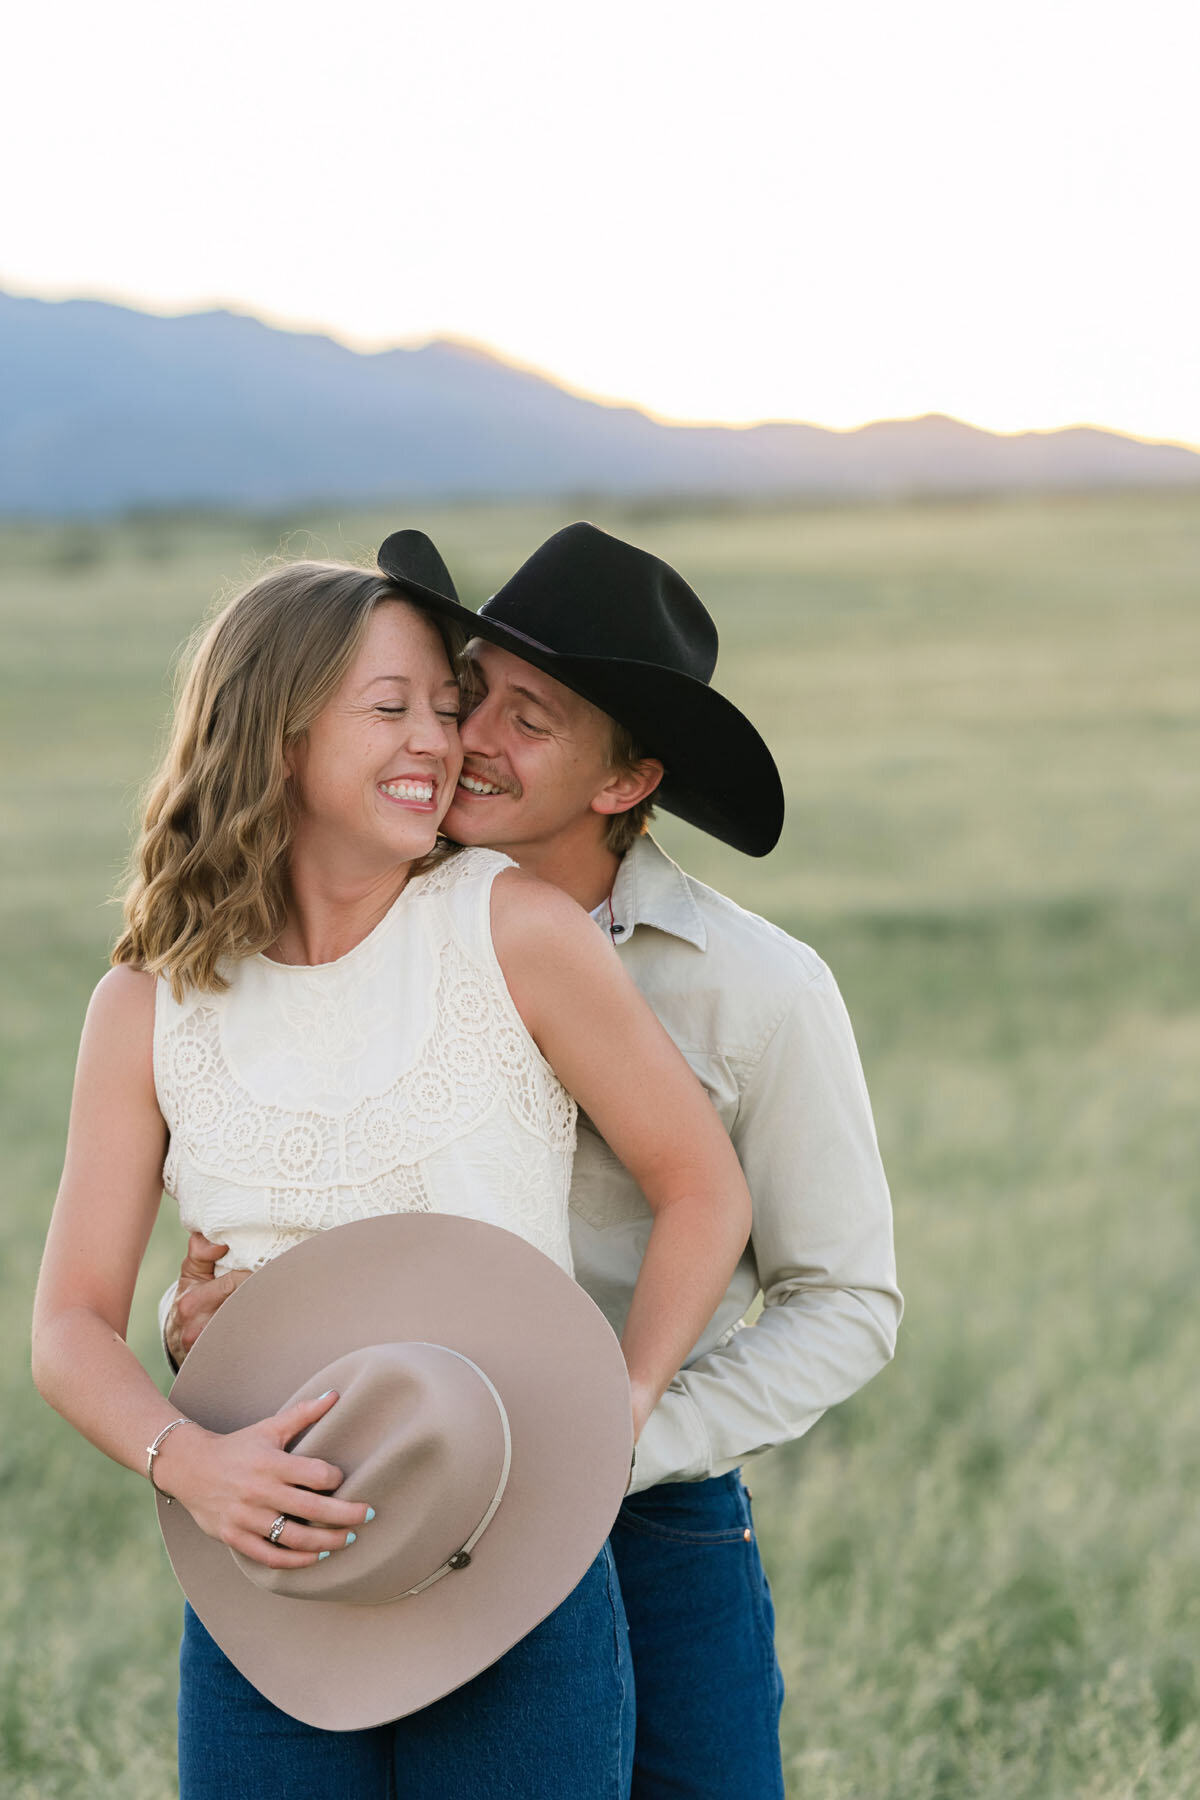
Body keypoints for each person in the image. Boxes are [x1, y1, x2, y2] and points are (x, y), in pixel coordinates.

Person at [168, 524, 904, 1800]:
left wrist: (625, 1430)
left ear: (624, 784)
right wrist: (212, 1323)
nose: (468, 740)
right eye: (469, 695)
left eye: (532, 718)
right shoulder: (359, 930)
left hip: (654, 1512)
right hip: (400, 1476)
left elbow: (847, 1303)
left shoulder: (759, 990)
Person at [31, 553, 756, 1800]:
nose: (441, 739)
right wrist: (188, 1462)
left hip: (514, 1559)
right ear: (275, 732)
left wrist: (623, 1400)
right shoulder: (145, 1005)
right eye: (392, 707)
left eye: (445, 701)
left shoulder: (511, 927)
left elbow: (705, 1189)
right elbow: (66, 1325)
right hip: (270, 1585)